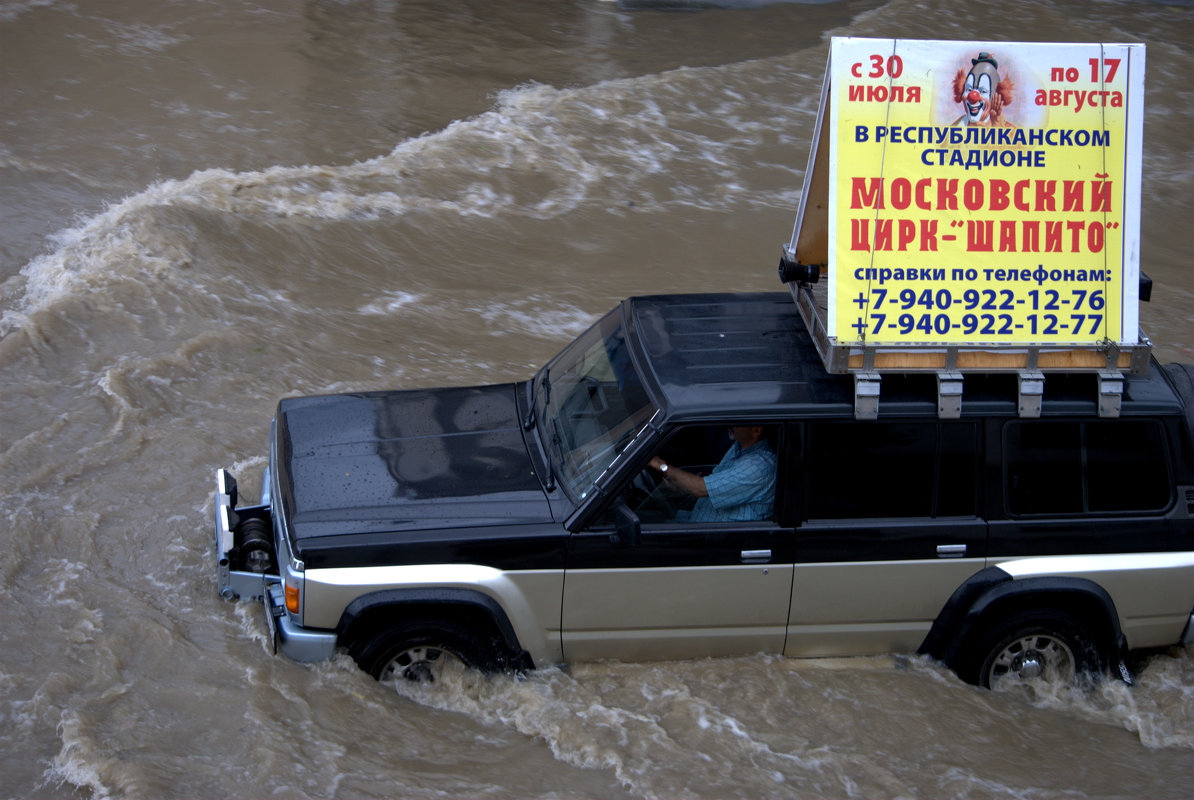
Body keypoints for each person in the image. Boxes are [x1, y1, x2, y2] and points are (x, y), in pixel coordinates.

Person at [648, 426, 776, 522]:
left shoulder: (758, 466)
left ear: (756, 431)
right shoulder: (740, 447)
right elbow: (717, 485)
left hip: (716, 543)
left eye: (738, 421)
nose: (730, 424)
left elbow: (701, 488)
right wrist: (680, 487)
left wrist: (657, 463)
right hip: (695, 522)